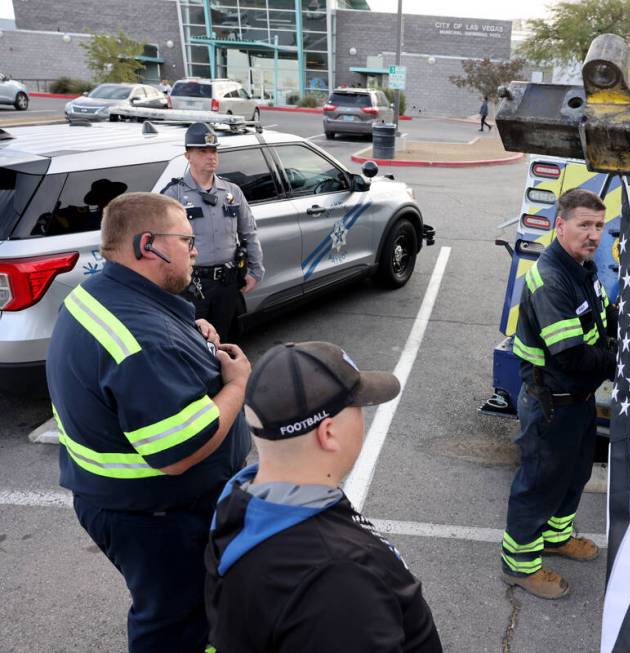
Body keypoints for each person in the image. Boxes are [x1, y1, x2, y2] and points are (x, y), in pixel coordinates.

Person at [46, 192, 253, 652]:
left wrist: (193, 336)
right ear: (149, 245)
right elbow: (178, 451)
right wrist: (237, 384)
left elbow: (136, 362)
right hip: (157, 515)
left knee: (180, 612)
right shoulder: (141, 336)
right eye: (187, 240)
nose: (195, 250)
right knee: (175, 623)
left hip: (131, 504)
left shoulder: (107, 294)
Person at [205, 341, 443, 653]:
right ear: (328, 433)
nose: (362, 417)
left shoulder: (244, 499)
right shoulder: (336, 581)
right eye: (357, 406)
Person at [500, 188, 617, 599]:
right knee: (538, 485)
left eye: (599, 226)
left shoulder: (583, 268)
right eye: (584, 225)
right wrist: (621, 360)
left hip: (578, 404)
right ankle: (520, 565)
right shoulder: (551, 279)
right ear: (560, 225)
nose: (593, 234)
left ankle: (556, 536)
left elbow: (602, 322)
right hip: (551, 405)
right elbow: (569, 356)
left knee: (574, 476)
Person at [161, 121, 264, 342]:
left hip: (227, 283)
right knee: (194, 342)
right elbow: (163, 244)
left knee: (225, 339)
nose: (211, 156)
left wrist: (255, 270)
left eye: (214, 150)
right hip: (192, 285)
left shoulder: (232, 191)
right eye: (203, 151)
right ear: (188, 155)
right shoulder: (174, 195)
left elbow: (249, 233)